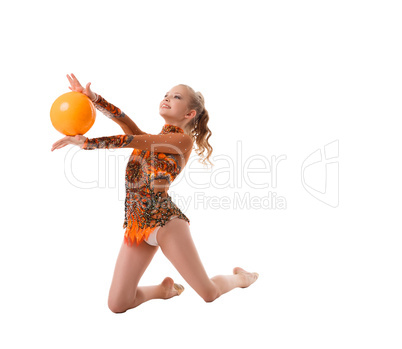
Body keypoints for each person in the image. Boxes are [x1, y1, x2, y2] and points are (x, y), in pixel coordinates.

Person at [51, 73, 259, 313]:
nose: (167, 98)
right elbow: (128, 127)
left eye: (176, 97)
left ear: (189, 114)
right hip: (138, 225)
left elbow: (129, 139)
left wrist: (88, 144)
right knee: (118, 304)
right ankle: (163, 291)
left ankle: (242, 278)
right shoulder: (154, 140)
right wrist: (95, 99)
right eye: (166, 95)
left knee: (209, 294)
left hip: (166, 223)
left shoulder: (181, 141)